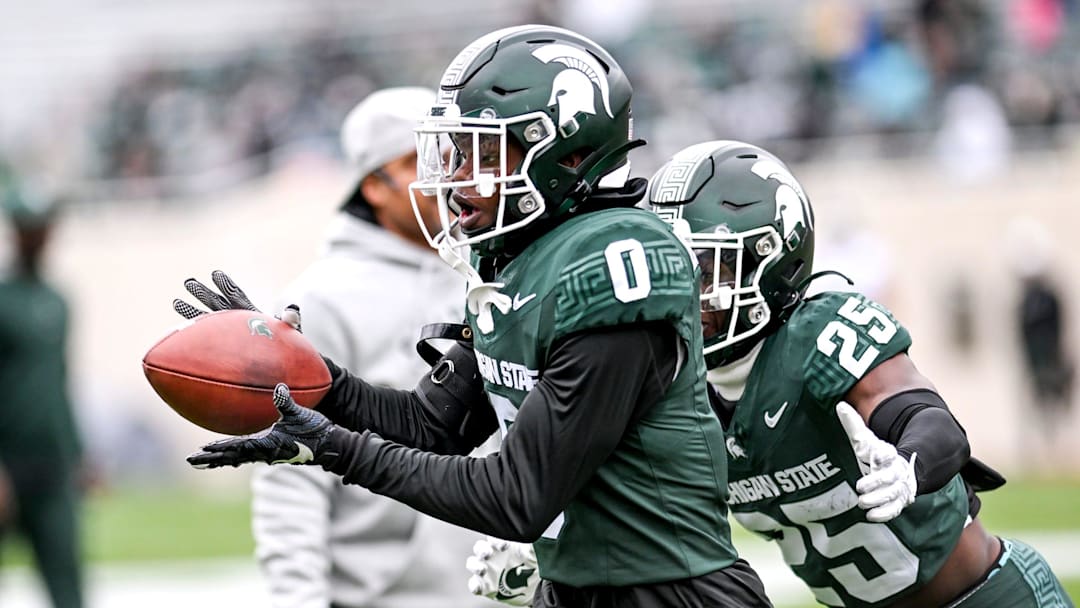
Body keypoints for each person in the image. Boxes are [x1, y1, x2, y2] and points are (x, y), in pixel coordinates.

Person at [178, 25, 771, 608]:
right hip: (577, 591)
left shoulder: (615, 264)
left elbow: (517, 498)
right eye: (455, 151)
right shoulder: (517, 258)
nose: (457, 176)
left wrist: (337, 450)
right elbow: (431, 426)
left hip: (672, 593)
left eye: (481, 151)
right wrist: (313, 379)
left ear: (564, 148)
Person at [646, 141, 1070, 607]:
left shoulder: (816, 335)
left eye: (704, 272)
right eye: (670, 271)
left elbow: (927, 418)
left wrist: (909, 463)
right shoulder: (673, 383)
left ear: (768, 259)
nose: (684, 295)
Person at [247, 87, 493, 608]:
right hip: (381, 597)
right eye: (416, 161)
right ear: (374, 186)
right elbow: (292, 471)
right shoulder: (318, 298)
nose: (442, 176)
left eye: (449, 155)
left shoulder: (494, 274)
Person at [0, 180, 86, 608]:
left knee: (67, 583)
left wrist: (79, 452)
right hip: (7, 462)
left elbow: (62, 382)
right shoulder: (2, 299)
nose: (37, 236)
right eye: (28, 227)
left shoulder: (58, 301)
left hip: (52, 464)